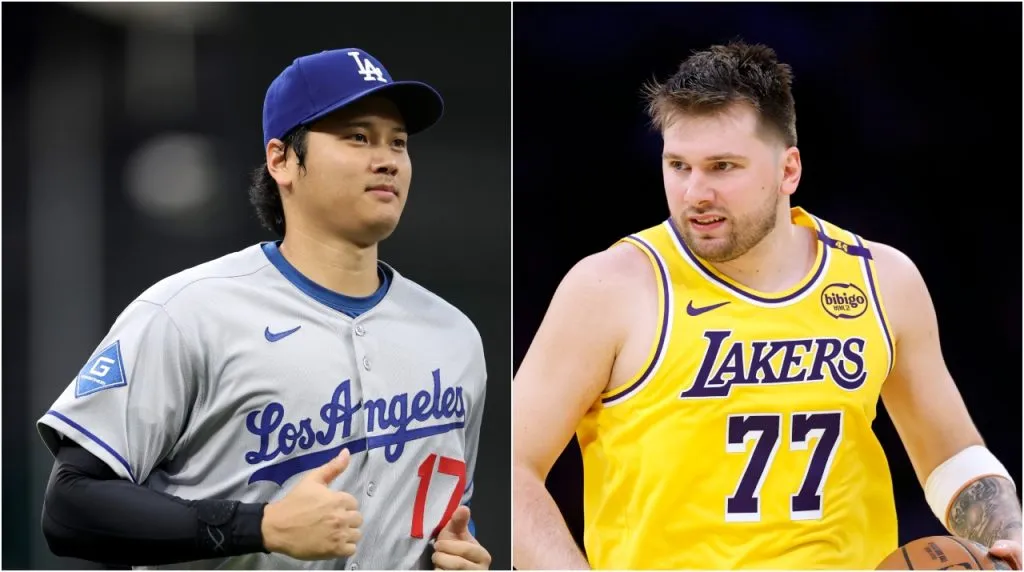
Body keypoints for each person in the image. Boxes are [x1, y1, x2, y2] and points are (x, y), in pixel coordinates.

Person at [512, 41, 1021, 570]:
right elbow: (512, 467)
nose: (695, 193)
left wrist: (1011, 532)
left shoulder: (881, 279)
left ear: (788, 171)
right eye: (678, 165)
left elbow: (951, 455)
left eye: (722, 166)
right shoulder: (611, 287)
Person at [37, 47, 492, 571]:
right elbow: (70, 507)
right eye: (358, 137)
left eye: (399, 142)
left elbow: (451, 513)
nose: (387, 158)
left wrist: (464, 555)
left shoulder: (454, 335)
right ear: (281, 160)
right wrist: (261, 526)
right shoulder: (188, 312)